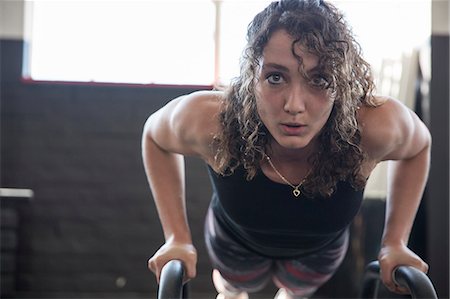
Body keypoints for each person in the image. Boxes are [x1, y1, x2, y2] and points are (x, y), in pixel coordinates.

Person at [142, 0, 431, 298]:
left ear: (340, 84)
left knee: (295, 292)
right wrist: (176, 237)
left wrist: (395, 242)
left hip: (319, 252)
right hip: (235, 243)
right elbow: (155, 135)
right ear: (251, 77)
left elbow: (418, 146)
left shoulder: (372, 126)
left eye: (319, 80)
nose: (294, 105)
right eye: (275, 77)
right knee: (235, 287)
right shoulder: (212, 120)